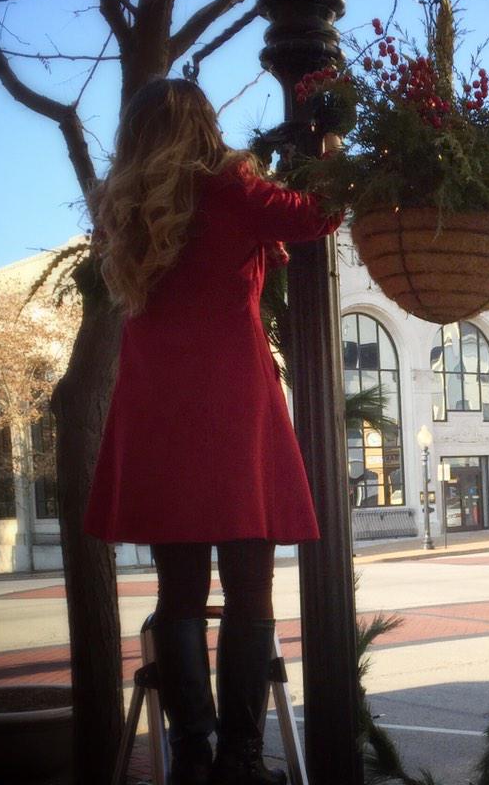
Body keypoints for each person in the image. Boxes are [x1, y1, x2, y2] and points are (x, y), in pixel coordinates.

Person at [84, 78, 341, 785]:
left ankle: (192, 756)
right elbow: (320, 214)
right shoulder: (229, 188)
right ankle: (241, 757)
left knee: (179, 592)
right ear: (203, 124)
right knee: (250, 587)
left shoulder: (122, 208)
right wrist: (328, 147)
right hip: (229, 400)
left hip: (157, 406)